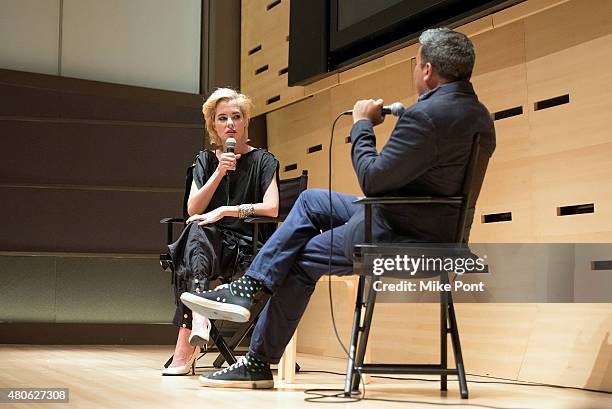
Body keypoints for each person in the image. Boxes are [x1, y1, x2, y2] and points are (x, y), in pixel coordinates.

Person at [180, 27, 496, 387]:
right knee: (312, 200)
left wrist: (362, 126)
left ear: (426, 70)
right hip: (438, 232)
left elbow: (373, 180)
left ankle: (257, 357)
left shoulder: (425, 117)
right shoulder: (480, 116)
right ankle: (249, 288)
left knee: (299, 261)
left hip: (399, 236)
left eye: (415, 64)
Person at [162, 88, 279, 375]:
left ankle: (186, 345)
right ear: (213, 125)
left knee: (193, 240)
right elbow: (193, 208)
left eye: (236, 117)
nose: (230, 123)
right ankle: (200, 312)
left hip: (246, 246)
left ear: (246, 122)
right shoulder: (205, 160)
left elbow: (272, 208)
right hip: (210, 247)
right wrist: (219, 173)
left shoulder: (263, 160)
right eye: (222, 118)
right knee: (197, 227)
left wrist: (227, 210)